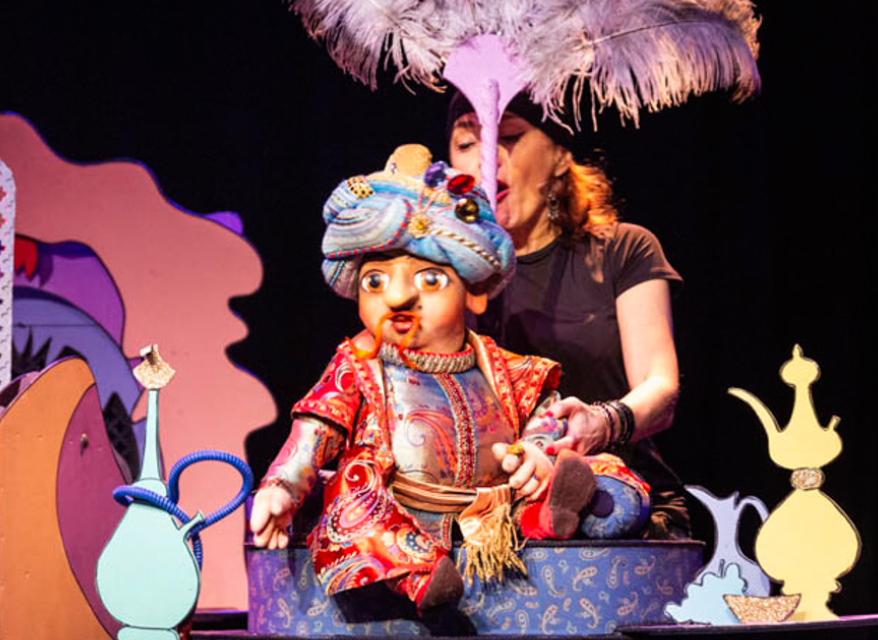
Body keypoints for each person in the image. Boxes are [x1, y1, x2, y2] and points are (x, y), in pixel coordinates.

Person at [249, 144, 652, 612]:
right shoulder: (359, 363)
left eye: (429, 280)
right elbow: (316, 430)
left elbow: (545, 415)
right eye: (375, 281)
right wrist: (280, 486)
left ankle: (565, 510)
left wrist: (536, 451)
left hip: (498, 513)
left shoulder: (501, 366)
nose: (397, 297)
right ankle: (418, 576)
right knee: (353, 478)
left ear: (475, 293)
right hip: (402, 514)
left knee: (602, 470)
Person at [448, 93, 688, 538]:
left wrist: (601, 422)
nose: (486, 157)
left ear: (560, 156)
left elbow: (661, 386)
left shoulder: (624, 250)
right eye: (466, 143)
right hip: (489, 518)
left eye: (511, 136)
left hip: (617, 505)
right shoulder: (443, 279)